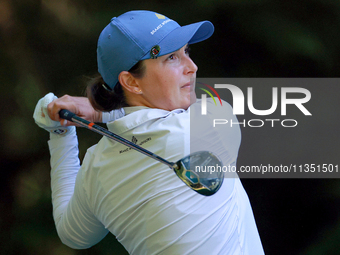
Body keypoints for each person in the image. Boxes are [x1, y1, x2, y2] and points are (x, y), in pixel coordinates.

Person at [33, 10, 264, 254]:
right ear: (131, 82)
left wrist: (61, 133)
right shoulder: (206, 125)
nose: (192, 67)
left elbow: (73, 235)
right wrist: (97, 112)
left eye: (186, 51)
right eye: (172, 58)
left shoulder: (96, 169)